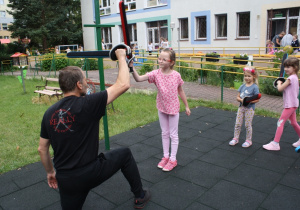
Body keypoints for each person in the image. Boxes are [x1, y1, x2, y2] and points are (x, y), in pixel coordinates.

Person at [38, 48, 150, 209]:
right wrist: (121, 56)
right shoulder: (89, 103)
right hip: (90, 173)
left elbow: (42, 149)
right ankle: (140, 196)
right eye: (84, 79)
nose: (86, 82)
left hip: (66, 179)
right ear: (78, 84)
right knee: (124, 154)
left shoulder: (49, 113)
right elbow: (124, 84)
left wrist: (50, 173)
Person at [131, 48, 191, 171]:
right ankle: (165, 157)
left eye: (164, 59)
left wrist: (186, 106)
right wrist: (132, 68)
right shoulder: (155, 74)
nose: (161, 61)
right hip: (162, 107)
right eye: (159, 58)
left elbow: (180, 90)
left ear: (172, 62)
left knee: (173, 135)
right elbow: (138, 79)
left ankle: (173, 159)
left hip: (173, 108)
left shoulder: (176, 76)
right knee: (164, 133)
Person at [263, 57, 300, 151]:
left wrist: (279, 82)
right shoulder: (295, 78)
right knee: (293, 122)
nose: (286, 69)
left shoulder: (290, 78)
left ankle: (275, 143)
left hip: (290, 105)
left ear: (295, 67)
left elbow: (280, 89)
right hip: (293, 104)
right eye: (285, 67)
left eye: (288, 67)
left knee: (280, 122)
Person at [229, 67, 260, 148]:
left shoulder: (254, 87)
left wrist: (249, 101)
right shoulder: (242, 86)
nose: (247, 78)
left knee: (247, 125)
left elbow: (257, 99)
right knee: (238, 124)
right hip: (241, 107)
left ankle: (248, 140)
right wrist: (243, 100)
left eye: (249, 76)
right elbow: (237, 97)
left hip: (249, 109)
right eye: (245, 76)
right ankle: (236, 138)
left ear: (254, 76)